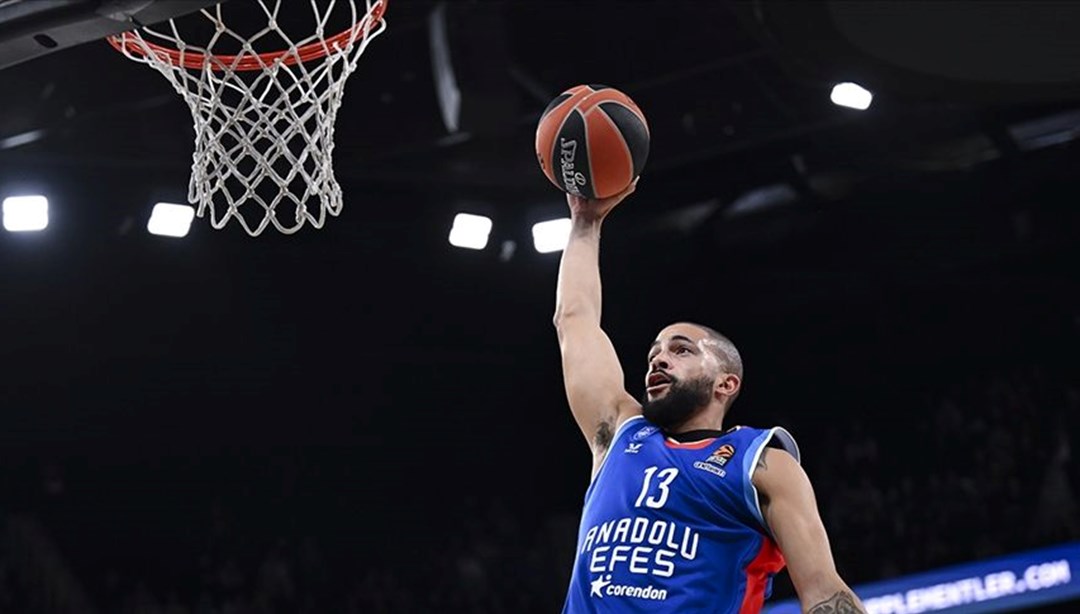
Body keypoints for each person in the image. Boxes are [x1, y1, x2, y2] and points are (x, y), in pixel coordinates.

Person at [553, 179, 866, 613]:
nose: (659, 360)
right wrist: (585, 222)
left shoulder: (761, 463)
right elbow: (575, 321)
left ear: (726, 383)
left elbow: (824, 593)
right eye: (654, 354)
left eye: (681, 350)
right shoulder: (619, 434)